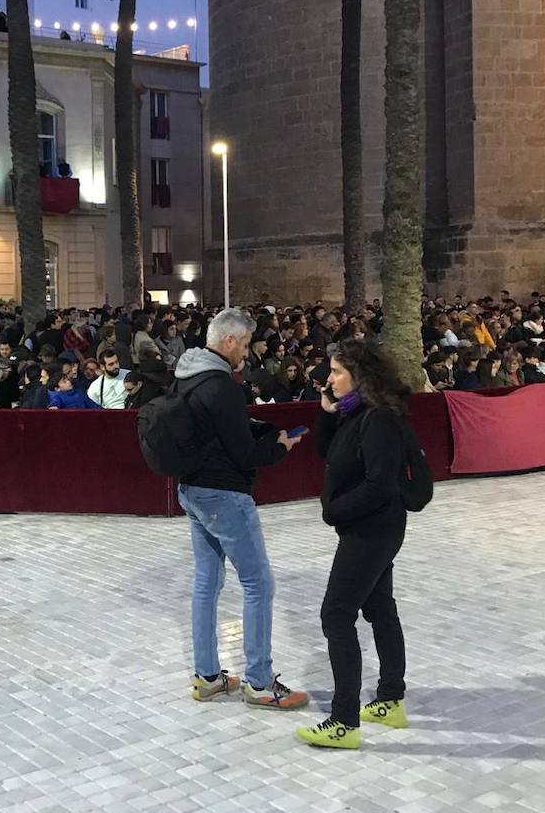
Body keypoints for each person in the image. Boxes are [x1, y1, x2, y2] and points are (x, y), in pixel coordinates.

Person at [175, 308, 308, 710]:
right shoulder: (222, 386)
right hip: (225, 495)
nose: (247, 354)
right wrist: (280, 446)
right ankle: (259, 682)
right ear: (229, 341)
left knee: (206, 583)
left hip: (192, 490)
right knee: (258, 584)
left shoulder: (185, 377)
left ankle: (208, 676)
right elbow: (246, 454)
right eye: (246, 345)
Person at [296, 340, 411, 750]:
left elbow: (379, 484)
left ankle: (344, 720)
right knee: (379, 607)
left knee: (336, 614)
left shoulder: (378, 419)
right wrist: (327, 414)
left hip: (371, 531)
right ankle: (390, 699)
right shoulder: (355, 414)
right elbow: (328, 451)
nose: (328, 379)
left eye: (337, 372)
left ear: (360, 376)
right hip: (371, 529)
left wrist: (335, 511)